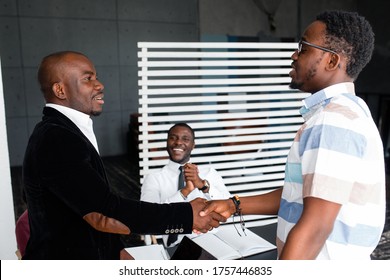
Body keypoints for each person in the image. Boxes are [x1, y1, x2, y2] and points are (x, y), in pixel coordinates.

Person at [201, 10, 386, 260]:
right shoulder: (347, 111)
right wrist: (234, 205)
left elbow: (315, 228)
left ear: (332, 61)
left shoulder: (333, 120)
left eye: (303, 47)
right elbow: (300, 194)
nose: (294, 55)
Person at [22, 51, 225, 260]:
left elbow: (82, 206)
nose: (99, 85)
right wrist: (186, 216)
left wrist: (116, 250)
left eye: (96, 77)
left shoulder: (64, 131)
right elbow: (102, 212)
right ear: (60, 90)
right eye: (88, 78)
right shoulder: (57, 138)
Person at [141, 123, 231, 247]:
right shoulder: (153, 178)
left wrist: (203, 186)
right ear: (167, 143)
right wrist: (184, 192)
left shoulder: (209, 173)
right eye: (173, 137)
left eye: (185, 139)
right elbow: (148, 218)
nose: (178, 142)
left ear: (193, 145)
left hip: (212, 241)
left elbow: (229, 207)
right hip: (176, 247)